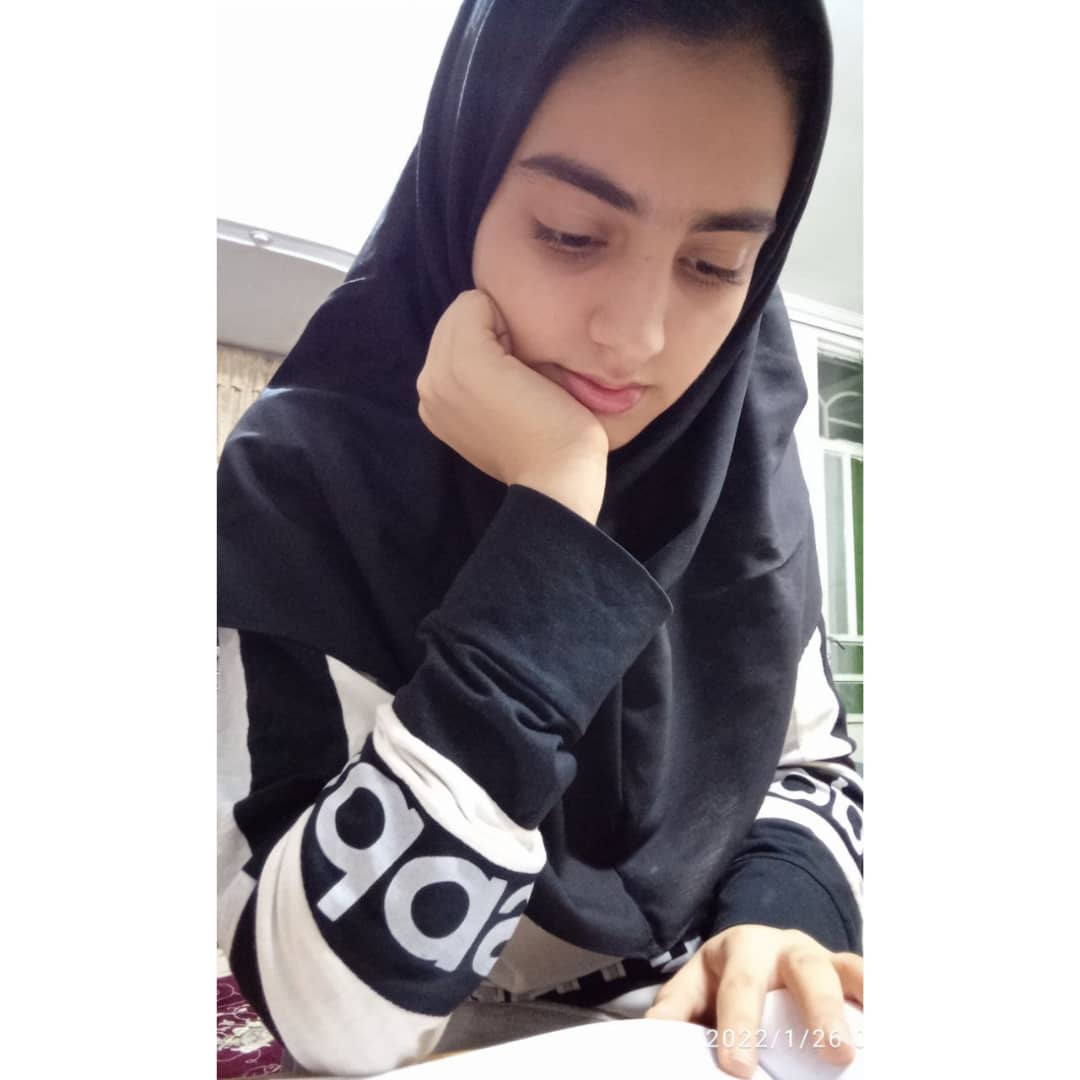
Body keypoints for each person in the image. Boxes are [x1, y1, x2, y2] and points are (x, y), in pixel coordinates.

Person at [217, 1, 864, 1076]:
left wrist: (779, 910)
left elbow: (813, 761)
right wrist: (557, 526)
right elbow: (332, 1016)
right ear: (464, 185)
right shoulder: (297, 487)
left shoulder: (740, 466)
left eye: (716, 265)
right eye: (570, 233)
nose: (638, 338)